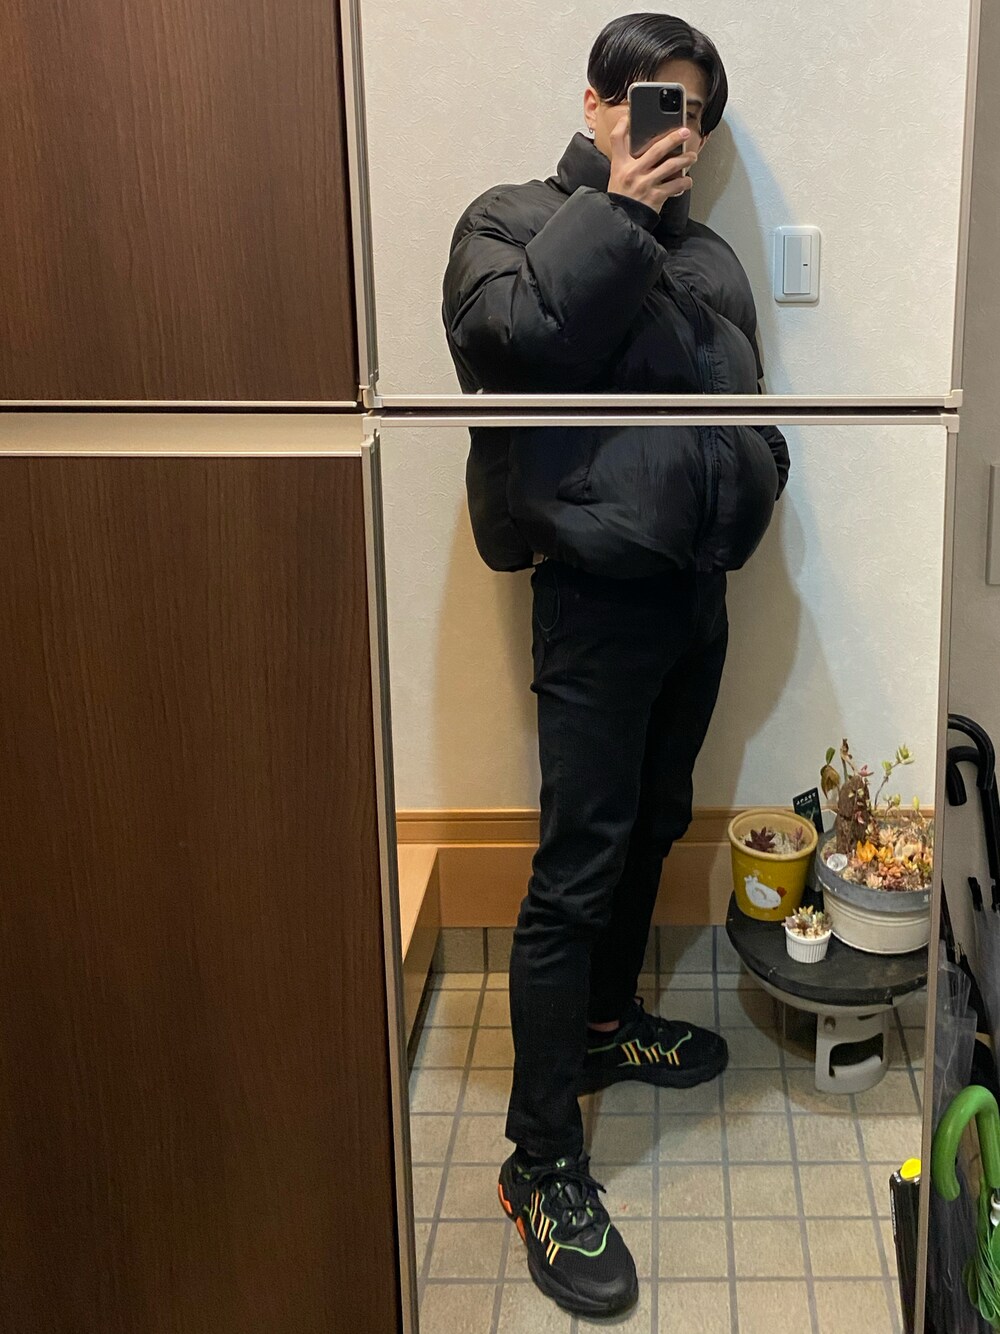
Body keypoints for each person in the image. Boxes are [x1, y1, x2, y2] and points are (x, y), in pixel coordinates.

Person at [442, 12, 790, 1318]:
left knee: (653, 824)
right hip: (591, 597)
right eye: (654, 100)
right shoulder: (513, 220)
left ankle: (602, 1028)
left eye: (693, 111)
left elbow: (746, 401)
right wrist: (621, 215)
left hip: (696, 594)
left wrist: (763, 473)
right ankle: (539, 1162)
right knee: (575, 871)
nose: (674, 128)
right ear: (597, 103)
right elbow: (506, 344)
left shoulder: (710, 258)